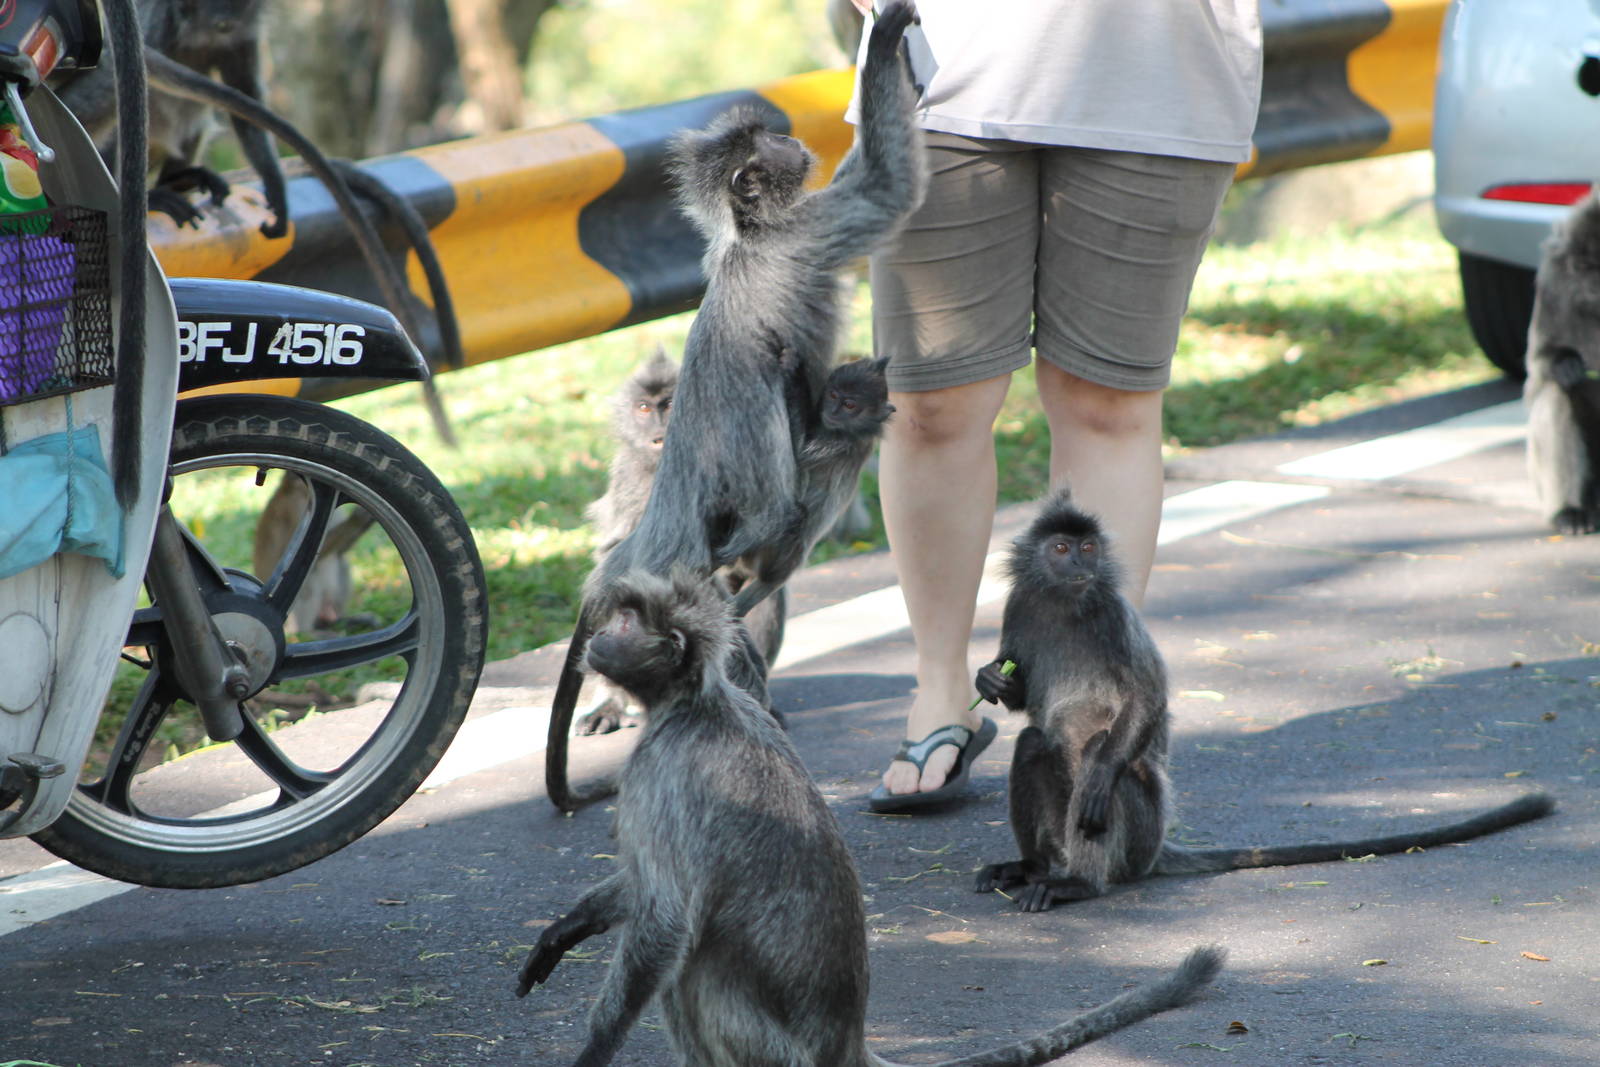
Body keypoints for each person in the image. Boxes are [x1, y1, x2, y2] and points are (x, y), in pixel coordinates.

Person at [844, 1, 1265, 812]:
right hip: (944, 60)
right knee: (931, 404)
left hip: (1158, 65)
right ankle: (939, 693)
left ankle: (1095, 714)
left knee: (1108, 402)